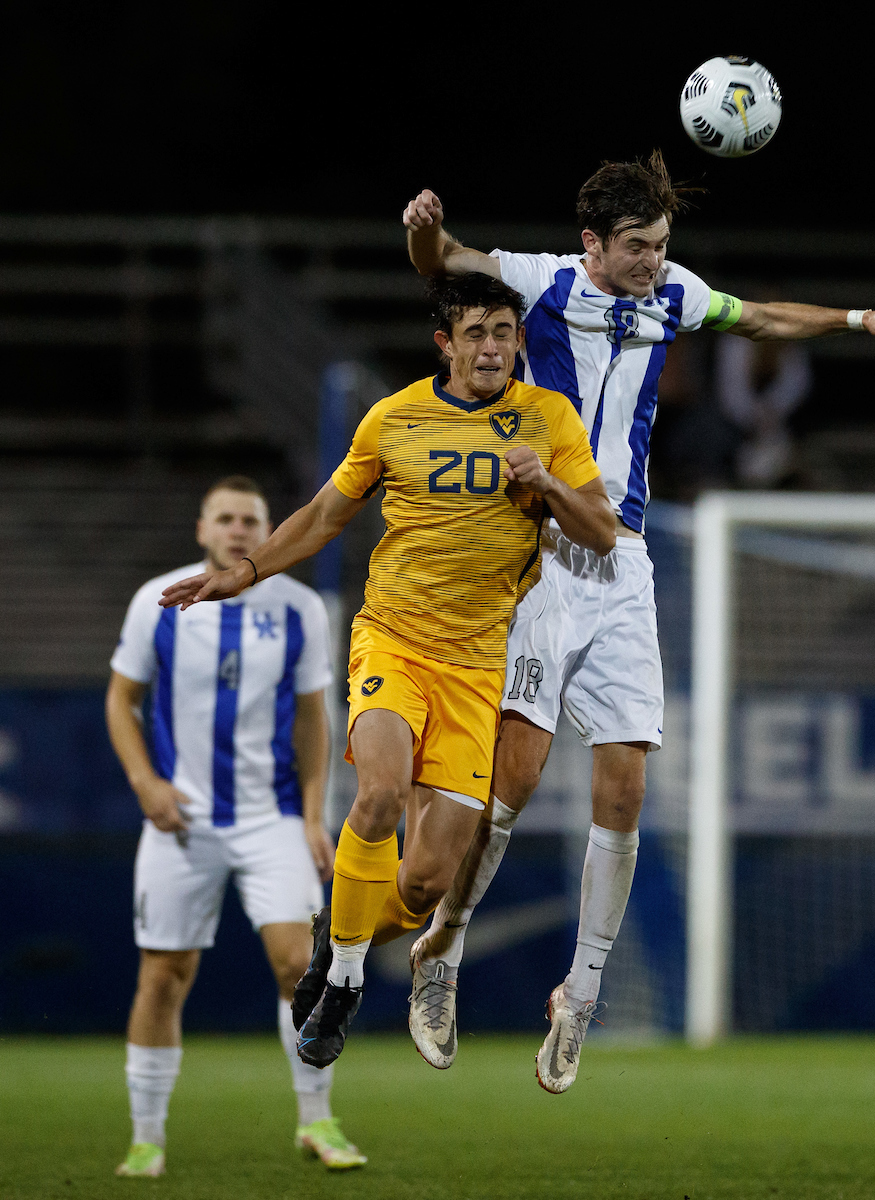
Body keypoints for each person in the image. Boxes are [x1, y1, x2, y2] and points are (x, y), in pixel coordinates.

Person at [402, 152, 875, 1093]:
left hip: (622, 561)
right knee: (509, 785)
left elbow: (757, 316)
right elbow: (446, 262)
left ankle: (581, 998)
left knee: (627, 792)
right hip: (541, 552)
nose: (652, 261)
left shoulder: (675, 294)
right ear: (593, 242)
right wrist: (420, 227)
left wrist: (853, 318)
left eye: (661, 245)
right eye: (637, 247)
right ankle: (443, 955)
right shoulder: (544, 280)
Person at [158, 273, 616, 1072]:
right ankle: (342, 980)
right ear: (444, 342)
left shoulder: (549, 421)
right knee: (376, 790)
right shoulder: (395, 417)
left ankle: (338, 934)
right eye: (475, 333)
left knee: (425, 884)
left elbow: (603, 532)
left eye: (505, 332)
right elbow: (327, 514)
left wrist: (544, 483)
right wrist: (248, 569)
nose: (492, 347)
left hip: (478, 666)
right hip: (393, 640)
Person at [107, 476, 366, 1177]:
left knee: (299, 966)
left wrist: (314, 816)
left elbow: (315, 718)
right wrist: (144, 783)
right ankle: (147, 1136)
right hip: (181, 821)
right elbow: (121, 698)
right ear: (202, 529)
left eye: (251, 519)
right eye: (224, 518)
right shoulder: (157, 602)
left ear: (266, 529)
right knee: (164, 975)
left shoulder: (300, 608)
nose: (238, 530)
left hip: (270, 818)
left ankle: (317, 1120)